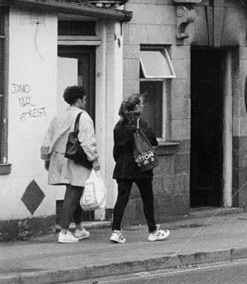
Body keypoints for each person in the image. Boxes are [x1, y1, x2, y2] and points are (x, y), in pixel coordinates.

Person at [40, 85, 100, 244]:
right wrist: (94, 160)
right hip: (75, 158)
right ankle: (64, 231)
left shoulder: (58, 117)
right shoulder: (83, 117)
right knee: (73, 192)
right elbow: (88, 142)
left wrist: (46, 158)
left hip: (59, 157)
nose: (85, 102)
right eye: (84, 99)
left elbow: (47, 138)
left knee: (76, 190)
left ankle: (79, 228)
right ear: (79, 100)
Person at [110, 94, 170, 243]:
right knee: (147, 198)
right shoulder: (141, 123)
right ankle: (152, 231)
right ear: (136, 107)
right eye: (141, 104)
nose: (143, 106)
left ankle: (116, 232)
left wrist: (120, 160)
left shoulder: (119, 124)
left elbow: (116, 149)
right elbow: (153, 141)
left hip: (122, 166)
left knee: (121, 199)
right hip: (141, 166)